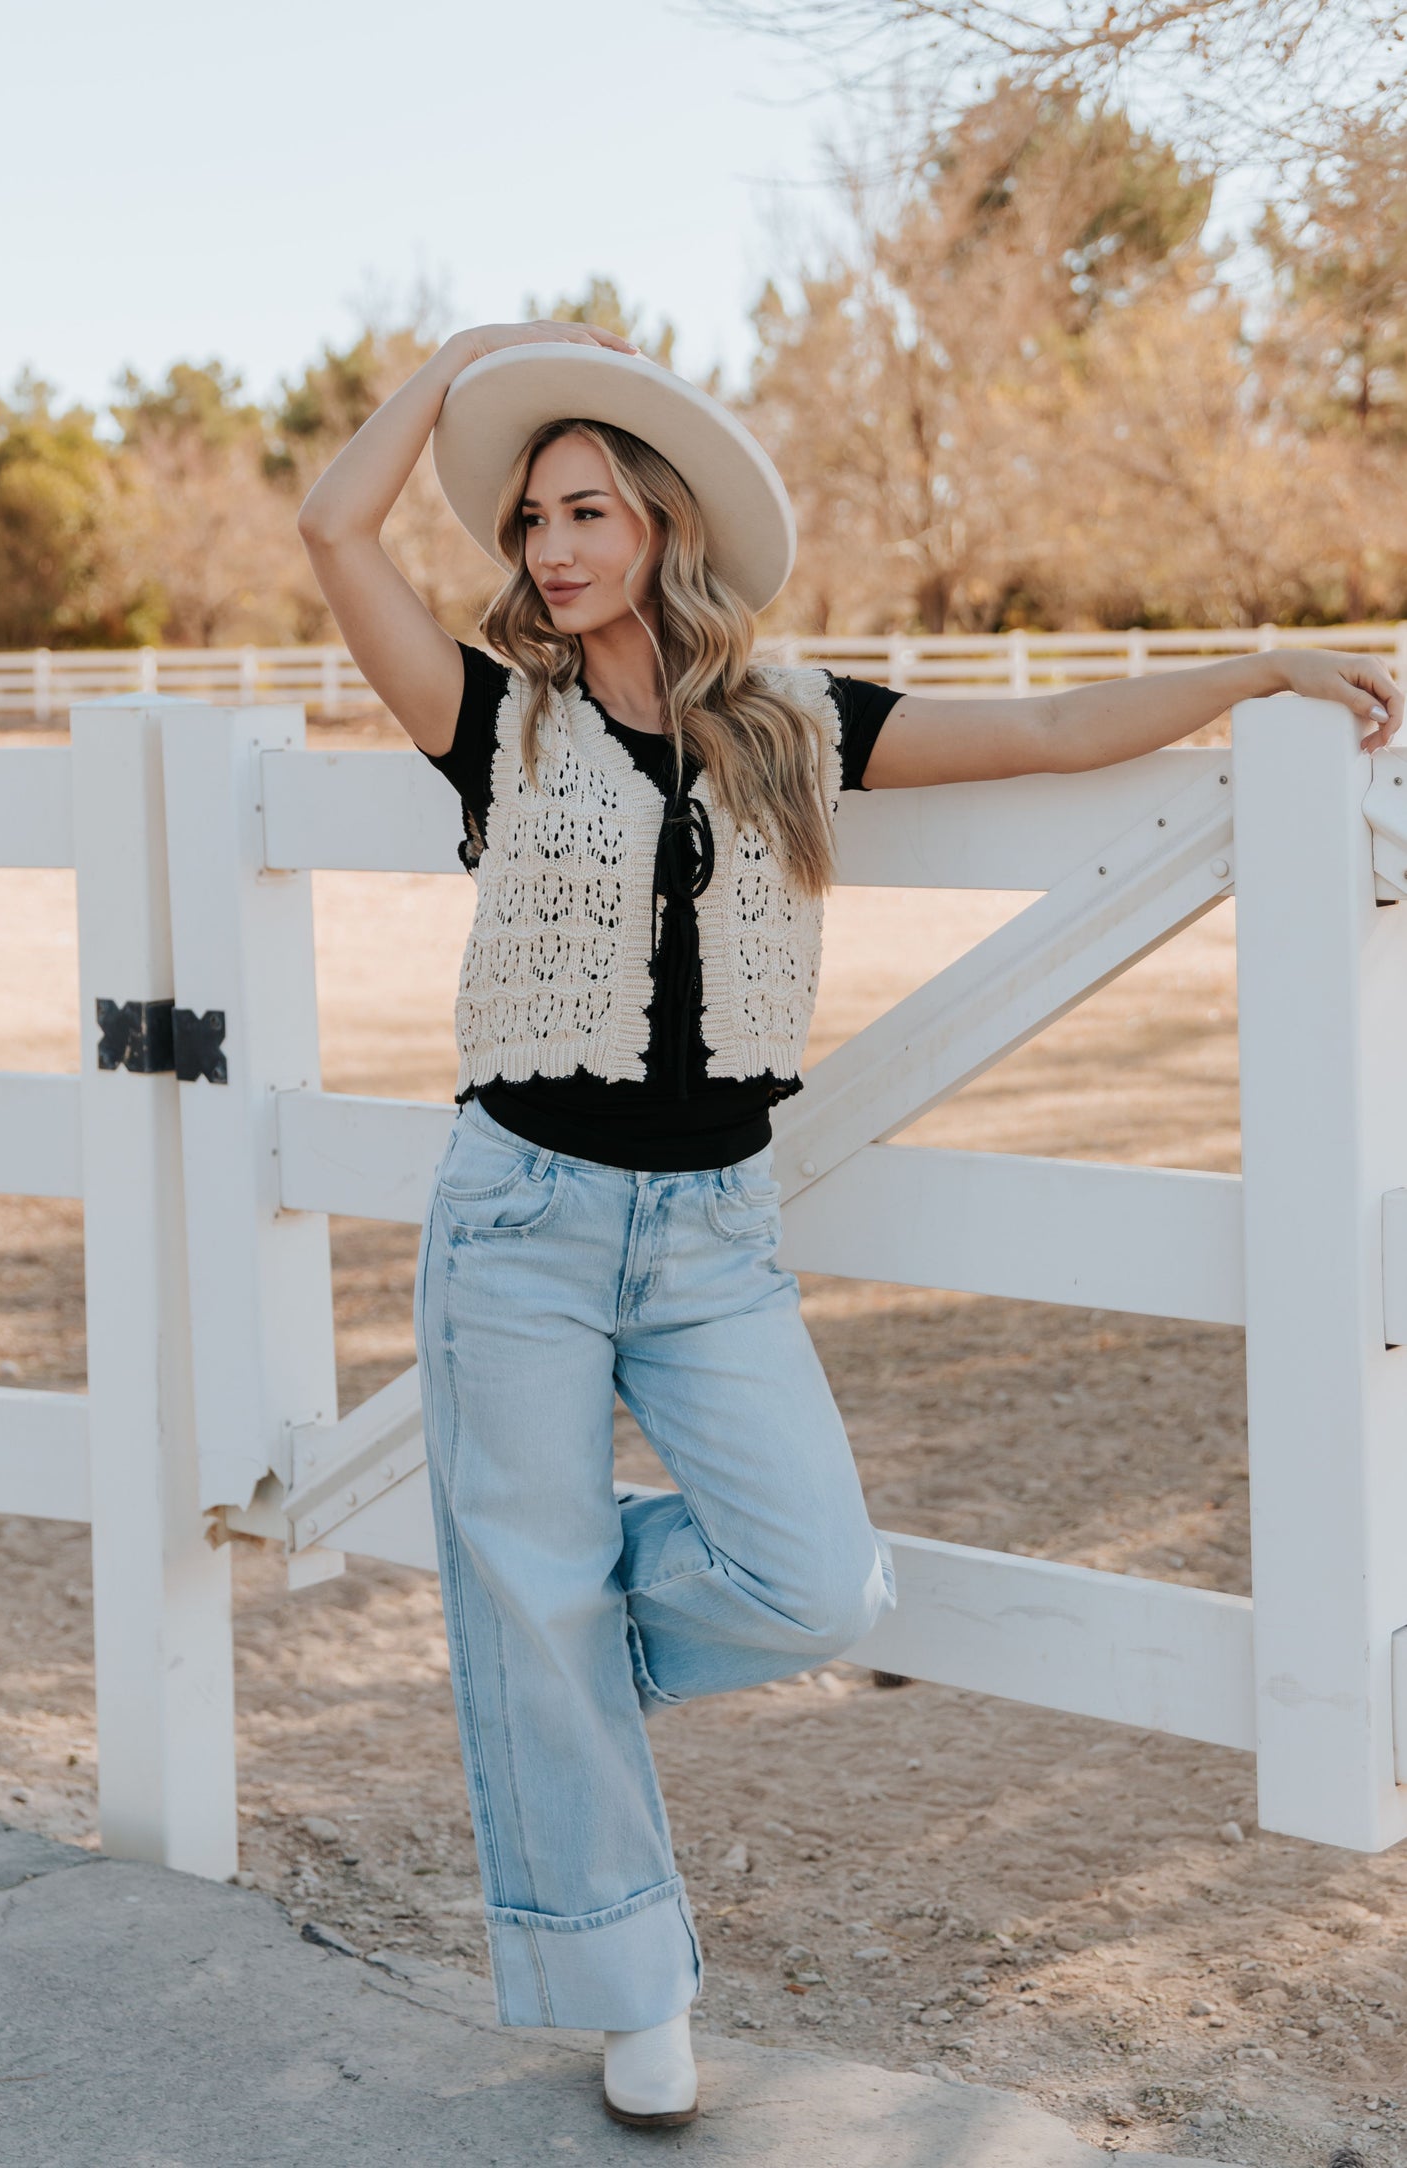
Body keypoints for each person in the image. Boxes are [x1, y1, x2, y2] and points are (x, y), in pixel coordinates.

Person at [296, 318, 1403, 2130]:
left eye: (584, 510)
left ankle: (549, 1644)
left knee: (811, 1581)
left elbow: (1050, 725)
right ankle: (631, 1987)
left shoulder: (794, 725)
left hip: (711, 1233)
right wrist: (447, 374)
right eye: (523, 525)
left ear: (657, 521)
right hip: (520, 1218)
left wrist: (1248, 667)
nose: (552, 550)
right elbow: (338, 538)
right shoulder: (499, 724)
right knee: (534, 1579)